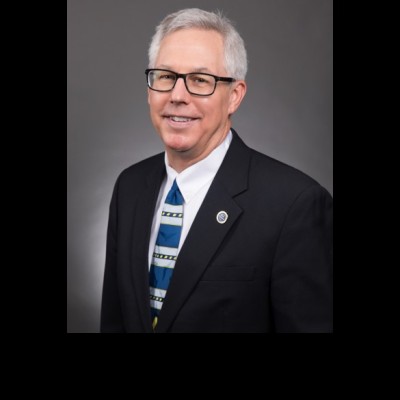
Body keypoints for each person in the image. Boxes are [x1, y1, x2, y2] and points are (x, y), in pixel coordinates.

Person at [100, 8, 333, 333]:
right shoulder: (130, 186)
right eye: (165, 76)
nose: (177, 96)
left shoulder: (296, 205)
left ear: (234, 96)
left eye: (200, 80)